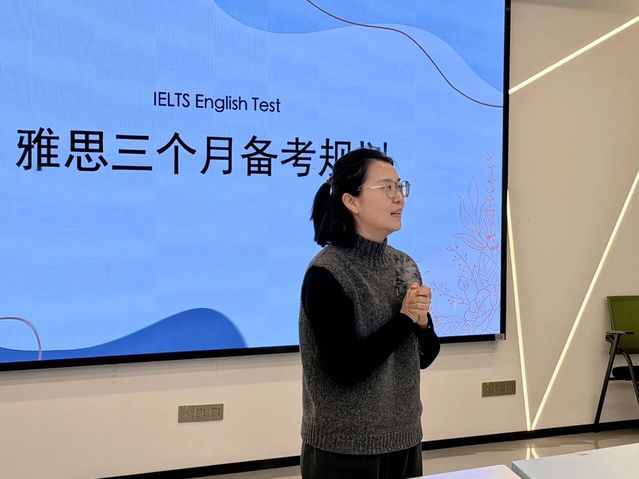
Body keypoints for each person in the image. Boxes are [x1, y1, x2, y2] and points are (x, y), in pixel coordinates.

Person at [298, 147, 440, 479]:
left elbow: (425, 356)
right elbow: (345, 368)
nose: (399, 198)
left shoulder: (403, 264)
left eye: (400, 186)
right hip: (344, 448)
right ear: (352, 201)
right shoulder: (326, 272)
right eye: (386, 188)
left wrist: (422, 324)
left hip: (404, 438)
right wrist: (404, 320)